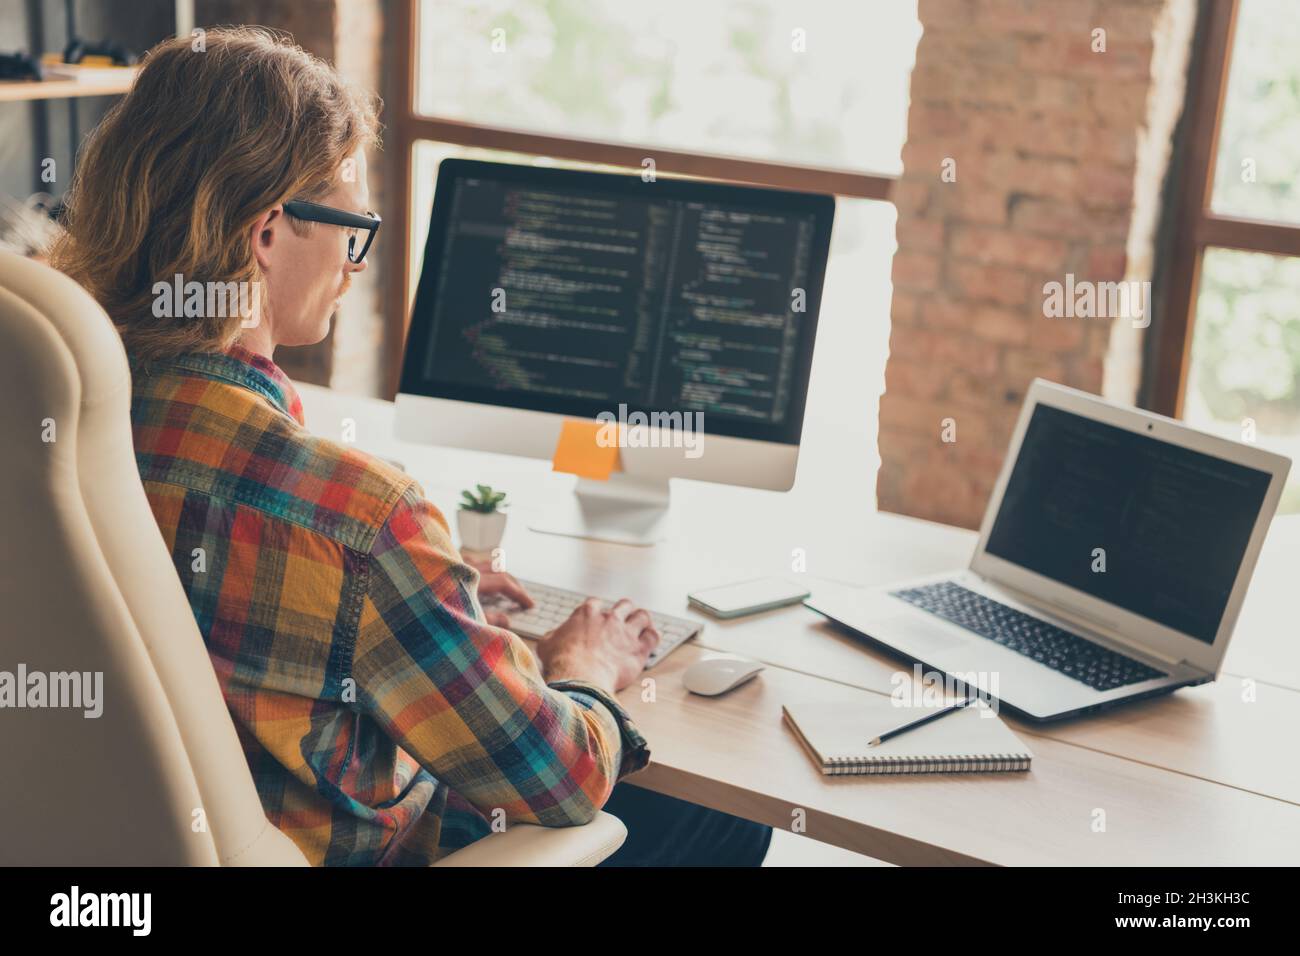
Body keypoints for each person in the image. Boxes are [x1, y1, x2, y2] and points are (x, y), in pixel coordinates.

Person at [50, 26, 769, 867]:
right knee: (728, 813)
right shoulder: (360, 516)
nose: (355, 266)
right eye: (352, 231)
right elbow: (562, 777)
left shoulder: (55, 425)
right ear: (267, 233)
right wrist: (582, 664)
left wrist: (433, 609)